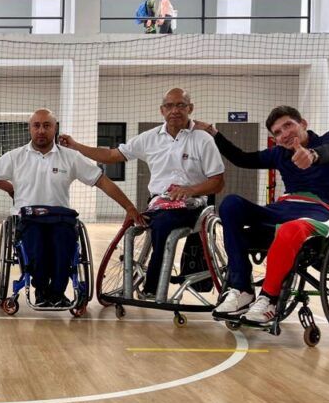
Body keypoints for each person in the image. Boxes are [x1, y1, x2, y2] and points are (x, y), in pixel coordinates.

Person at [0, 109, 146, 308]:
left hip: (61, 220)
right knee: (35, 246)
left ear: (55, 128)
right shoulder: (15, 156)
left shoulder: (70, 157)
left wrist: (129, 207)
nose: (41, 130)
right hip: (28, 220)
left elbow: (103, 181)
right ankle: (42, 292)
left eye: (46, 125)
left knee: (63, 245)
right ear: (29, 129)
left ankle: (57, 293)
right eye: (36, 126)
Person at [194, 106, 329, 325]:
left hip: (323, 209)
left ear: (303, 124)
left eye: (288, 125)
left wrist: (312, 156)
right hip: (285, 207)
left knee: (290, 228)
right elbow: (242, 159)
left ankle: (269, 298)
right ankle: (241, 288)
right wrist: (214, 133)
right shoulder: (280, 154)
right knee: (231, 204)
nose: (284, 134)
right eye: (277, 132)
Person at [59, 88, 225, 298]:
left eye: (180, 105)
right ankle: (134, 283)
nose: (175, 110)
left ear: (190, 108)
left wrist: (189, 190)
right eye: (169, 106)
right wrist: (75, 145)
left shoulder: (203, 140)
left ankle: (152, 287)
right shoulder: (150, 138)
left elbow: (218, 182)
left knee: (163, 225)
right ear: (161, 110)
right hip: (159, 204)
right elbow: (111, 155)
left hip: (193, 206)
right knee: (138, 226)